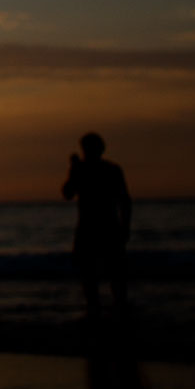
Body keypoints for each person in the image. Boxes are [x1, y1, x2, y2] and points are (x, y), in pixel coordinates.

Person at [61, 131, 132, 314]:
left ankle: (100, 309)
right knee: (105, 275)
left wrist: (74, 170)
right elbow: (125, 201)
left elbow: (67, 193)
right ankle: (110, 309)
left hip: (95, 228)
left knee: (97, 275)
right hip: (103, 228)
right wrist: (125, 227)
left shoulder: (89, 169)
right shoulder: (109, 169)